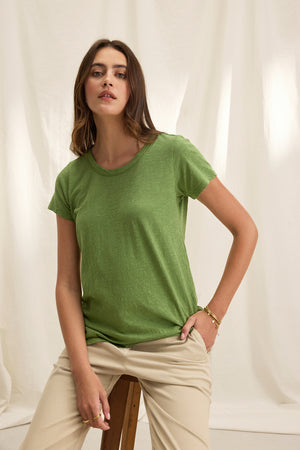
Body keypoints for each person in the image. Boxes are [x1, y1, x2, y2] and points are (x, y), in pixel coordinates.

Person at [20, 38, 258, 450]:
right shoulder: (72, 181)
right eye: (97, 72)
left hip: (172, 344)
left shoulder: (172, 154)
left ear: (134, 90)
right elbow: (65, 284)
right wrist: (81, 371)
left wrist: (213, 316)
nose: (107, 80)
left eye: (120, 73)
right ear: (84, 88)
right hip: (96, 344)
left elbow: (245, 229)